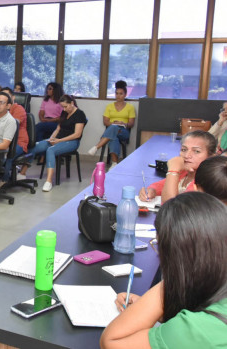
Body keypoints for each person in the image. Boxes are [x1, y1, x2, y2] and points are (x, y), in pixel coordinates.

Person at [100, 191, 227, 349]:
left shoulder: (199, 328)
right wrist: (149, 310)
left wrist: (164, 292)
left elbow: (111, 341)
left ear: (176, 258)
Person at [28, 95, 87, 192]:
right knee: (34, 146)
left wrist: (59, 141)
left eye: (65, 106)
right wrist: (51, 138)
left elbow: (77, 134)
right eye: (62, 107)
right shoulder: (64, 113)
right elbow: (58, 128)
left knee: (50, 150)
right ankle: (22, 173)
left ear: (72, 103)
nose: (64, 109)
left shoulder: (80, 114)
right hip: (58, 139)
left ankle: (49, 181)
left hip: (72, 142)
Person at [139, 130, 217, 203]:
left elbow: (171, 204)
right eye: (184, 149)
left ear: (211, 157)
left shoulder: (206, 181)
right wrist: (152, 190)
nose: (187, 155)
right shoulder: (184, 172)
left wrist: (173, 170)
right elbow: (160, 185)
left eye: (196, 151)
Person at [88, 81, 136, 169]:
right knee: (113, 137)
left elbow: (131, 124)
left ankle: (97, 146)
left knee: (112, 130)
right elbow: (105, 122)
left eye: (121, 94)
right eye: (116, 93)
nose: (118, 96)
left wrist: (122, 123)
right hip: (112, 130)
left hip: (124, 131)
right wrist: (114, 123)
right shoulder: (109, 106)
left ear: (125, 95)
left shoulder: (130, 107)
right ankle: (114, 163)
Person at [0, 87, 29, 188]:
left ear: (13, 97)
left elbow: (14, 125)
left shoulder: (19, 109)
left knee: (9, 154)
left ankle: (4, 178)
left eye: (7, 96)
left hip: (19, 141)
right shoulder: (0, 109)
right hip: (3, 139)